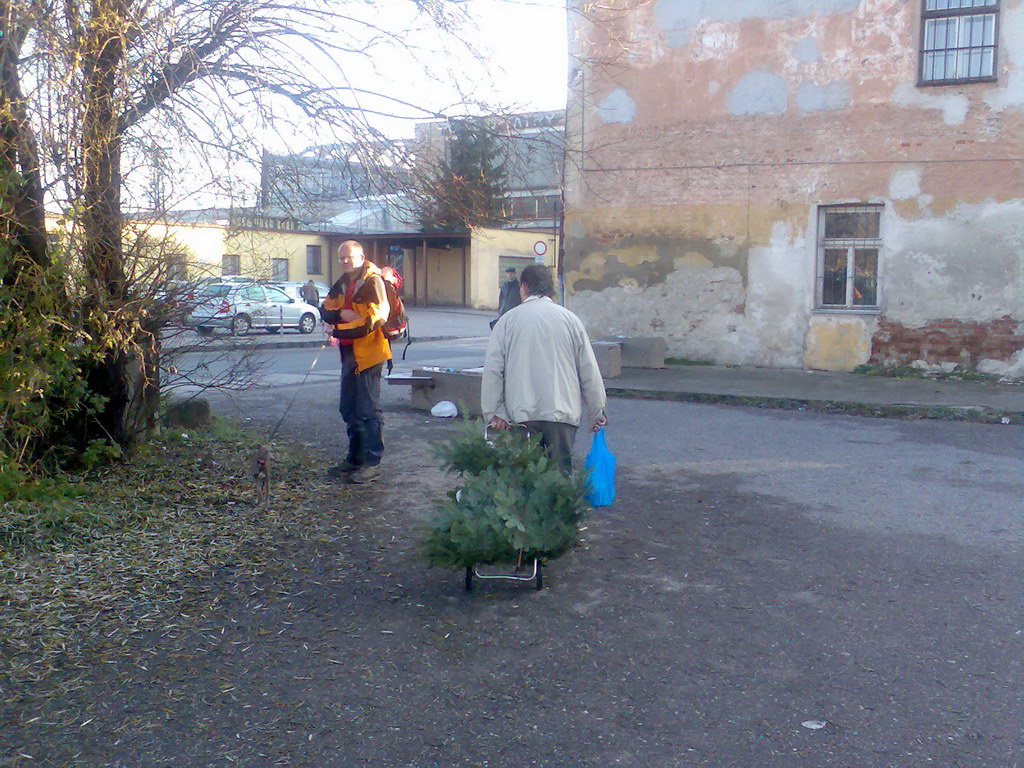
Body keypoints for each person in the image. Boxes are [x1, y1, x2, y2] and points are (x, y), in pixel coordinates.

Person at [481, 264, 607, 473]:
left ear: (523, 287)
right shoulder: (570, 321)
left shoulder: (507, 321)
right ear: (550, 289)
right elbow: (589, 370)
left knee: (523, 481)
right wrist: (597, 411)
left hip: (520, 416)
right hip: (562, 415)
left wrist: (494, 412)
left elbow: (493, 370)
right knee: (559, 483)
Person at [319, 240, 391, 484]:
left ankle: (373, 463)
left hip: (370, 353)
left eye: (349, 257)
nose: (345, 261)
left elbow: (375, 319)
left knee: (368, 409)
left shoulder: (373, 281)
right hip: (350, 353)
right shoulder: (343, 282)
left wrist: (338, 329)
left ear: (361, 257)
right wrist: (341, 315)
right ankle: (355, 458)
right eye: (341, 258)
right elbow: (325, 309)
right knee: (348, 407)